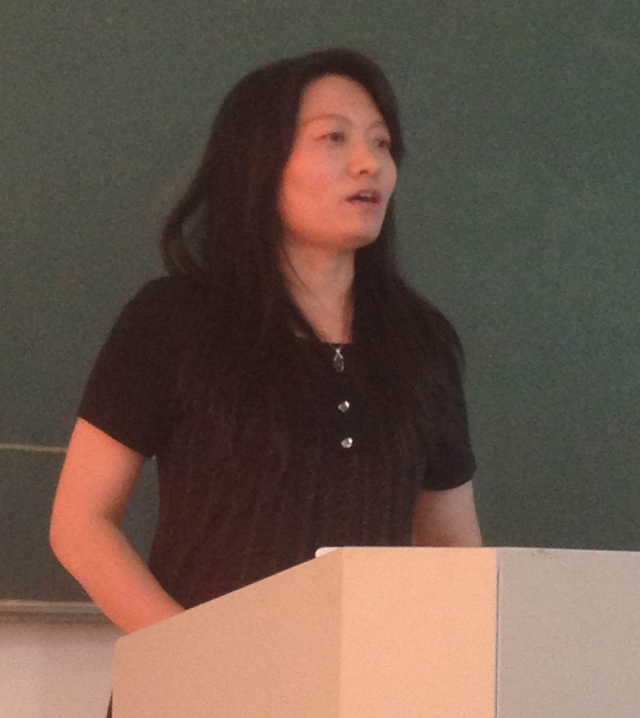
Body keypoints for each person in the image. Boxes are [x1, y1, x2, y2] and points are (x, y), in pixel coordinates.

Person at [51, 44, 481, 653]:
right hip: (199, 684)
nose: (369, 164)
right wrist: (197, 655)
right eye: (334, 138)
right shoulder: (176, 320)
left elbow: (451, 547)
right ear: (259, 162)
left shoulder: (421, 345)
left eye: (382, 143)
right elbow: (80, 523)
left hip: (363, 685)